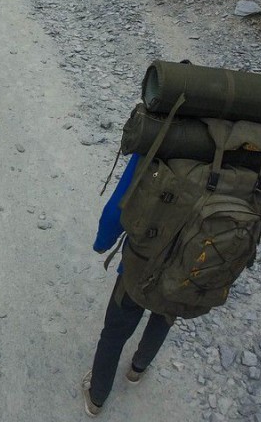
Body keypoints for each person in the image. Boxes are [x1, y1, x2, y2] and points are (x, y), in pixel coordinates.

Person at [82, 152, 174, 417]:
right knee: (167, 311)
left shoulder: (169, 129)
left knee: (116, 329)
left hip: (143, 260)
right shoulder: (251, 146)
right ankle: (138, 368)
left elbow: (121, 203)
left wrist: (103, 242)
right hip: (195, 263)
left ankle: (96, 396)